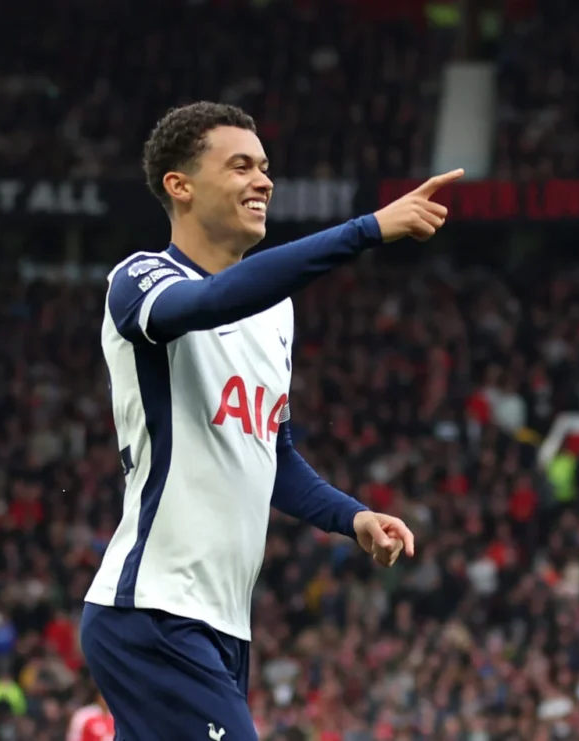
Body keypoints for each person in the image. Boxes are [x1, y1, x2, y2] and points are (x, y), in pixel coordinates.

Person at [80, 100, 463, 740]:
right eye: (240, 167)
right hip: (152, 610)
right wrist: (366, 229)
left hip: (225, 623)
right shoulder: (140, 280)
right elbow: (211, 300)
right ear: (180, 185)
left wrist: (352, 516)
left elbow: (272, 456)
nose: (264, 181)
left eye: (264, 167)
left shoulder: (274, 313)